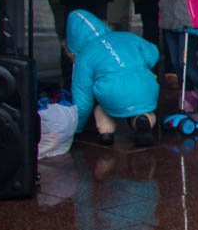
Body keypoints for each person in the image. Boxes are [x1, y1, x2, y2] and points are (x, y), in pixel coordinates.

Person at [66, 9, 159, 148]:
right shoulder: (126, 36)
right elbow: (153, 53)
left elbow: (83, 102)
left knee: (100, 107)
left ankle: (106, 133)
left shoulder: (84, 57)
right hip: (146, 88)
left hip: (112, 95)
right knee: (142, 109)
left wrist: (76, 130)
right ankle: (142, 119)